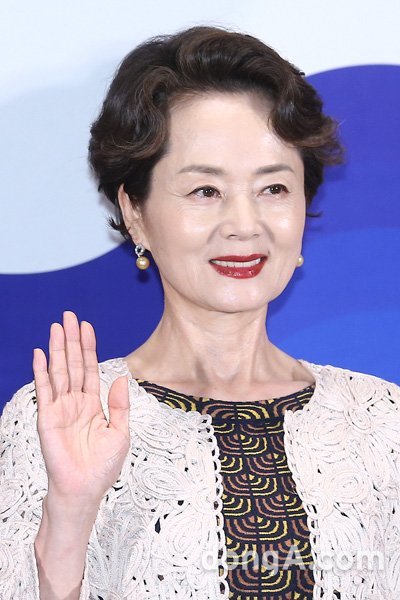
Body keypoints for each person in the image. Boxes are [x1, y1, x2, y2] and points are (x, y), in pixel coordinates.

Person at [0, 25, 399, 600]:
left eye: (273, 188)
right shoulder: (57, 420)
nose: (244, 224)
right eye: (205, 191)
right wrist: (70, 514)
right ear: (135, 212)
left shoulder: (382, 423)